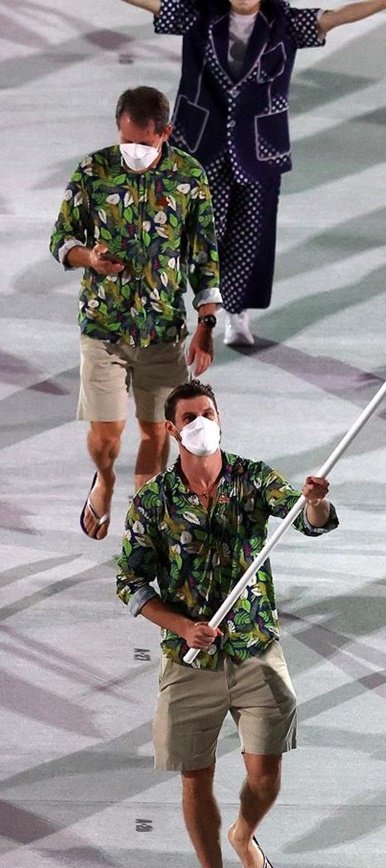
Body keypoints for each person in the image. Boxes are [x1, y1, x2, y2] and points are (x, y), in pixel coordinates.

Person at [116, 379, 338, 868]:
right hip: (191, 660)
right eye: (189, 416)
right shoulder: (153, 501)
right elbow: (131, 581)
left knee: (265, 774)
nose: (200, 423)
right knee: (196, 779)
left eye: (208, 413)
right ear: (171, 429)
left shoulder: (253, 477)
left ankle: (244, 834)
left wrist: (314, 501)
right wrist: (182, 625)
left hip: (254, 648)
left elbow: (306, 520)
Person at [119, 0, 386, 346]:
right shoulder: (199, 14)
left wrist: (383, 2)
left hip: (259, 148)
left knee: (249, 237)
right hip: (203, 142)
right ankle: (162, 308)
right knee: (192, 235)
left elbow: (336, 18)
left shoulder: (285, 23)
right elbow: (153, 4)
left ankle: (237, 313)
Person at [51, 85, 221, 540]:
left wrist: (205, 325)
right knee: (107, 438)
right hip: (103, 328)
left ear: (165, 133)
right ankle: (104, 481)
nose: (133, 152)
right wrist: (89, 258)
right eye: (126, 141)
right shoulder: (93, 170)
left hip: (163, 330)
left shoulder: (189, 177)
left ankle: (142, 525)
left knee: (156, 434)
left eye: (143, 145)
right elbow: (61, 240)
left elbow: (204, 256)